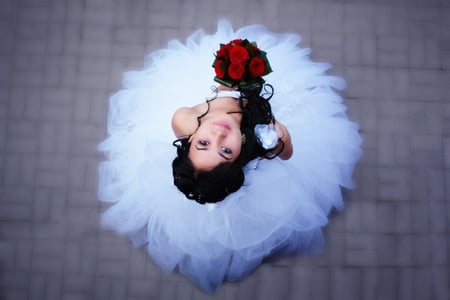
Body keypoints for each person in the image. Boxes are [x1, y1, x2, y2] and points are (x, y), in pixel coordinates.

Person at [98, 20, 362, 293]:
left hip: (227, 92)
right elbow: (288, 153)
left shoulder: (184, 119)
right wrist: (278, 136)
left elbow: (205, 116)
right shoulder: (262, 140)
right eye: (225, 151)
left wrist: (225, 91)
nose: (218, 136)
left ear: (189, 140)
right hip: (257, 113)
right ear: (239, 157)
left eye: (203, 144)